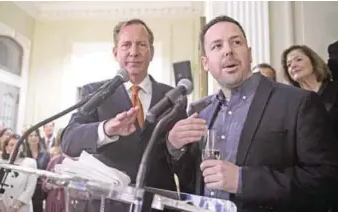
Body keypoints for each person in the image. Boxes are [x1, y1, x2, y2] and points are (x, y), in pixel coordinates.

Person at [167, 15, 338, 211]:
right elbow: (192, 181)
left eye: (236, 42)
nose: (228, 51)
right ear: (205, 63)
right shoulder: (199, 112)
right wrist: (175, 147)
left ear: (249, 54)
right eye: (217, 46)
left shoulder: (298, 102)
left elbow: (326, 180)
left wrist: (242, 180)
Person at [61, 18, 186, 210]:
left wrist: (175, 147)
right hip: (107, 205)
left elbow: (187, 164)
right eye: (126, 45)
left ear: (151, 52)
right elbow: (69, 141)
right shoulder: (96, 92)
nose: (134, 52)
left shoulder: (173, 97)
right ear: (115, 52)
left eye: (141, 45)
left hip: (159, 205)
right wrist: (105, 129)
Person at [0, 134, 37, 212]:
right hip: (2, 207)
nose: (15, 147)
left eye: (18, 144)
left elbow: (30, 188)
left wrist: (15, 207)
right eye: (11, 145)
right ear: (6, 148)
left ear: (22, 147)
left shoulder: (30, 163)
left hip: (22, 208)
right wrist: (2, 208)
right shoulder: (0, 163)